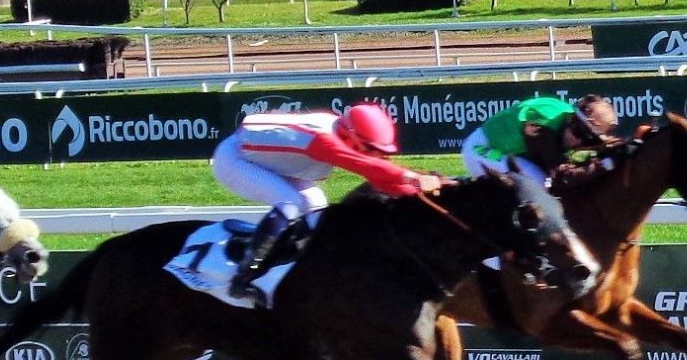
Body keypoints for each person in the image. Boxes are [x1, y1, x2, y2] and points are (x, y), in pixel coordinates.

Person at [210, 102, 435, 304]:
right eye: (370, 149)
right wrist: (411, 177)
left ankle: (291, 264)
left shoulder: (342, 133)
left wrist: (433, 190)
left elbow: (381, 179)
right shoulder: (323, 140)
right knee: (290, 202)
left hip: (270, 162)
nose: (374, 155)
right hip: (234, 160)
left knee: (317, 205)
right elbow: (368, 167)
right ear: (350, 135)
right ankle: (245, 277)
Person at [458, 94, 620, 186]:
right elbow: (563, 175)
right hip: (479, 149)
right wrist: (606, 164)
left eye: (589, 139)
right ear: (571, 118)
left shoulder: (567, 123)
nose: (577, 141)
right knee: (538, 181)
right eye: (578, 131)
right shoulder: (543, 127)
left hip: (512, 152)